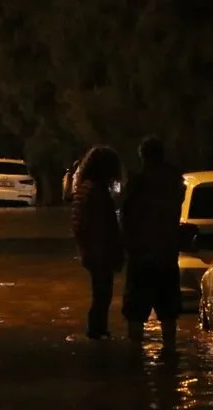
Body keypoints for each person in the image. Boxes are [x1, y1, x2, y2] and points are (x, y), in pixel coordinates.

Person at [120, 136, 186, 348]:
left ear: (143, 156)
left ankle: (135, 356)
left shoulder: (137, 182)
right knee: (168, 311)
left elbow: (127, 217)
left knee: (136, 312)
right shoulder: (174, 182)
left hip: (142, 256)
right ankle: (170, 353)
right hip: (166, 254)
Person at [71, 146, 125, 339]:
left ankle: (98, 332)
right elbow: (104, 225)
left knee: (101, 294)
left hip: (91, 251)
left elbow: (79, 224)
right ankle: (97, 332)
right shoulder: (96, 191)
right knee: (102, 294)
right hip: (99, 251)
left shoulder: (85, 187)